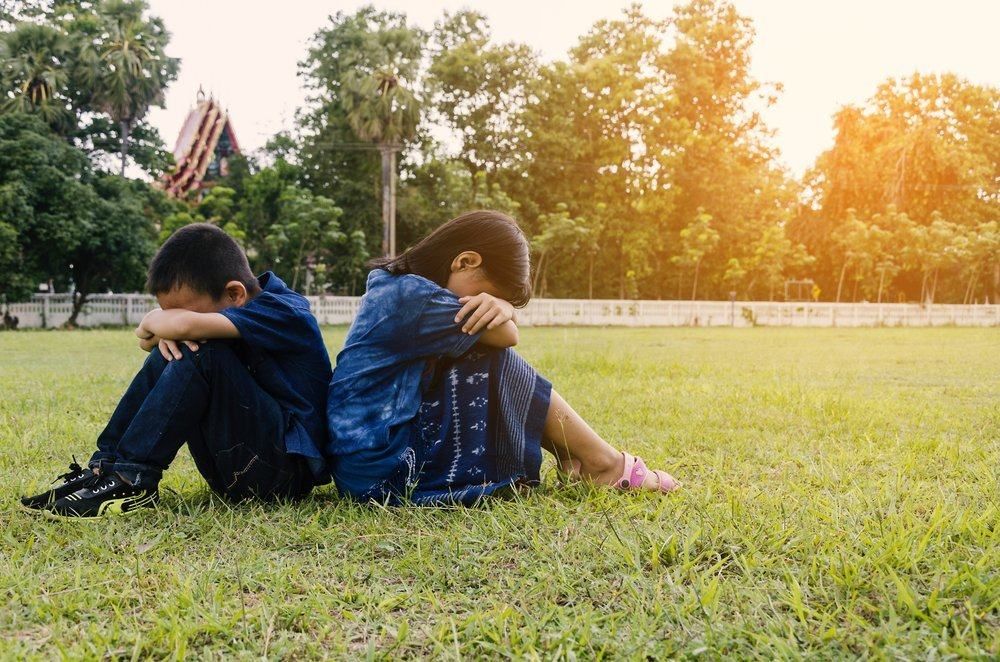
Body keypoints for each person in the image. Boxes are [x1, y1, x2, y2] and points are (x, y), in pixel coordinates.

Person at [327, 210, 678, 506]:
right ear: (465, 261)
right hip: (381, 473)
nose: (485, 307)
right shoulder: (411, 297)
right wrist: (504, 311)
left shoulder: (397, 286)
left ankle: (582, 459)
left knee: (473, 350)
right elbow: (507, 337)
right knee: (489, 356)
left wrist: (503, 305)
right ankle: (600, 463)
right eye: (484, 296)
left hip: (365, 464)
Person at [20, 223, 332, 519]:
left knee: (200, 351)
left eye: (184, 310)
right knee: (176, 349)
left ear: (235, 294)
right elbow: (150, 343)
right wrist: (168, 328)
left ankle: (133, 480)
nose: (176, 319)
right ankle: (106, 469)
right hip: (235, 464)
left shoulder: (287, 313)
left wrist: (157, 320)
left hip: (283, 474)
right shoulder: (233, 308)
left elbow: (165, 329)